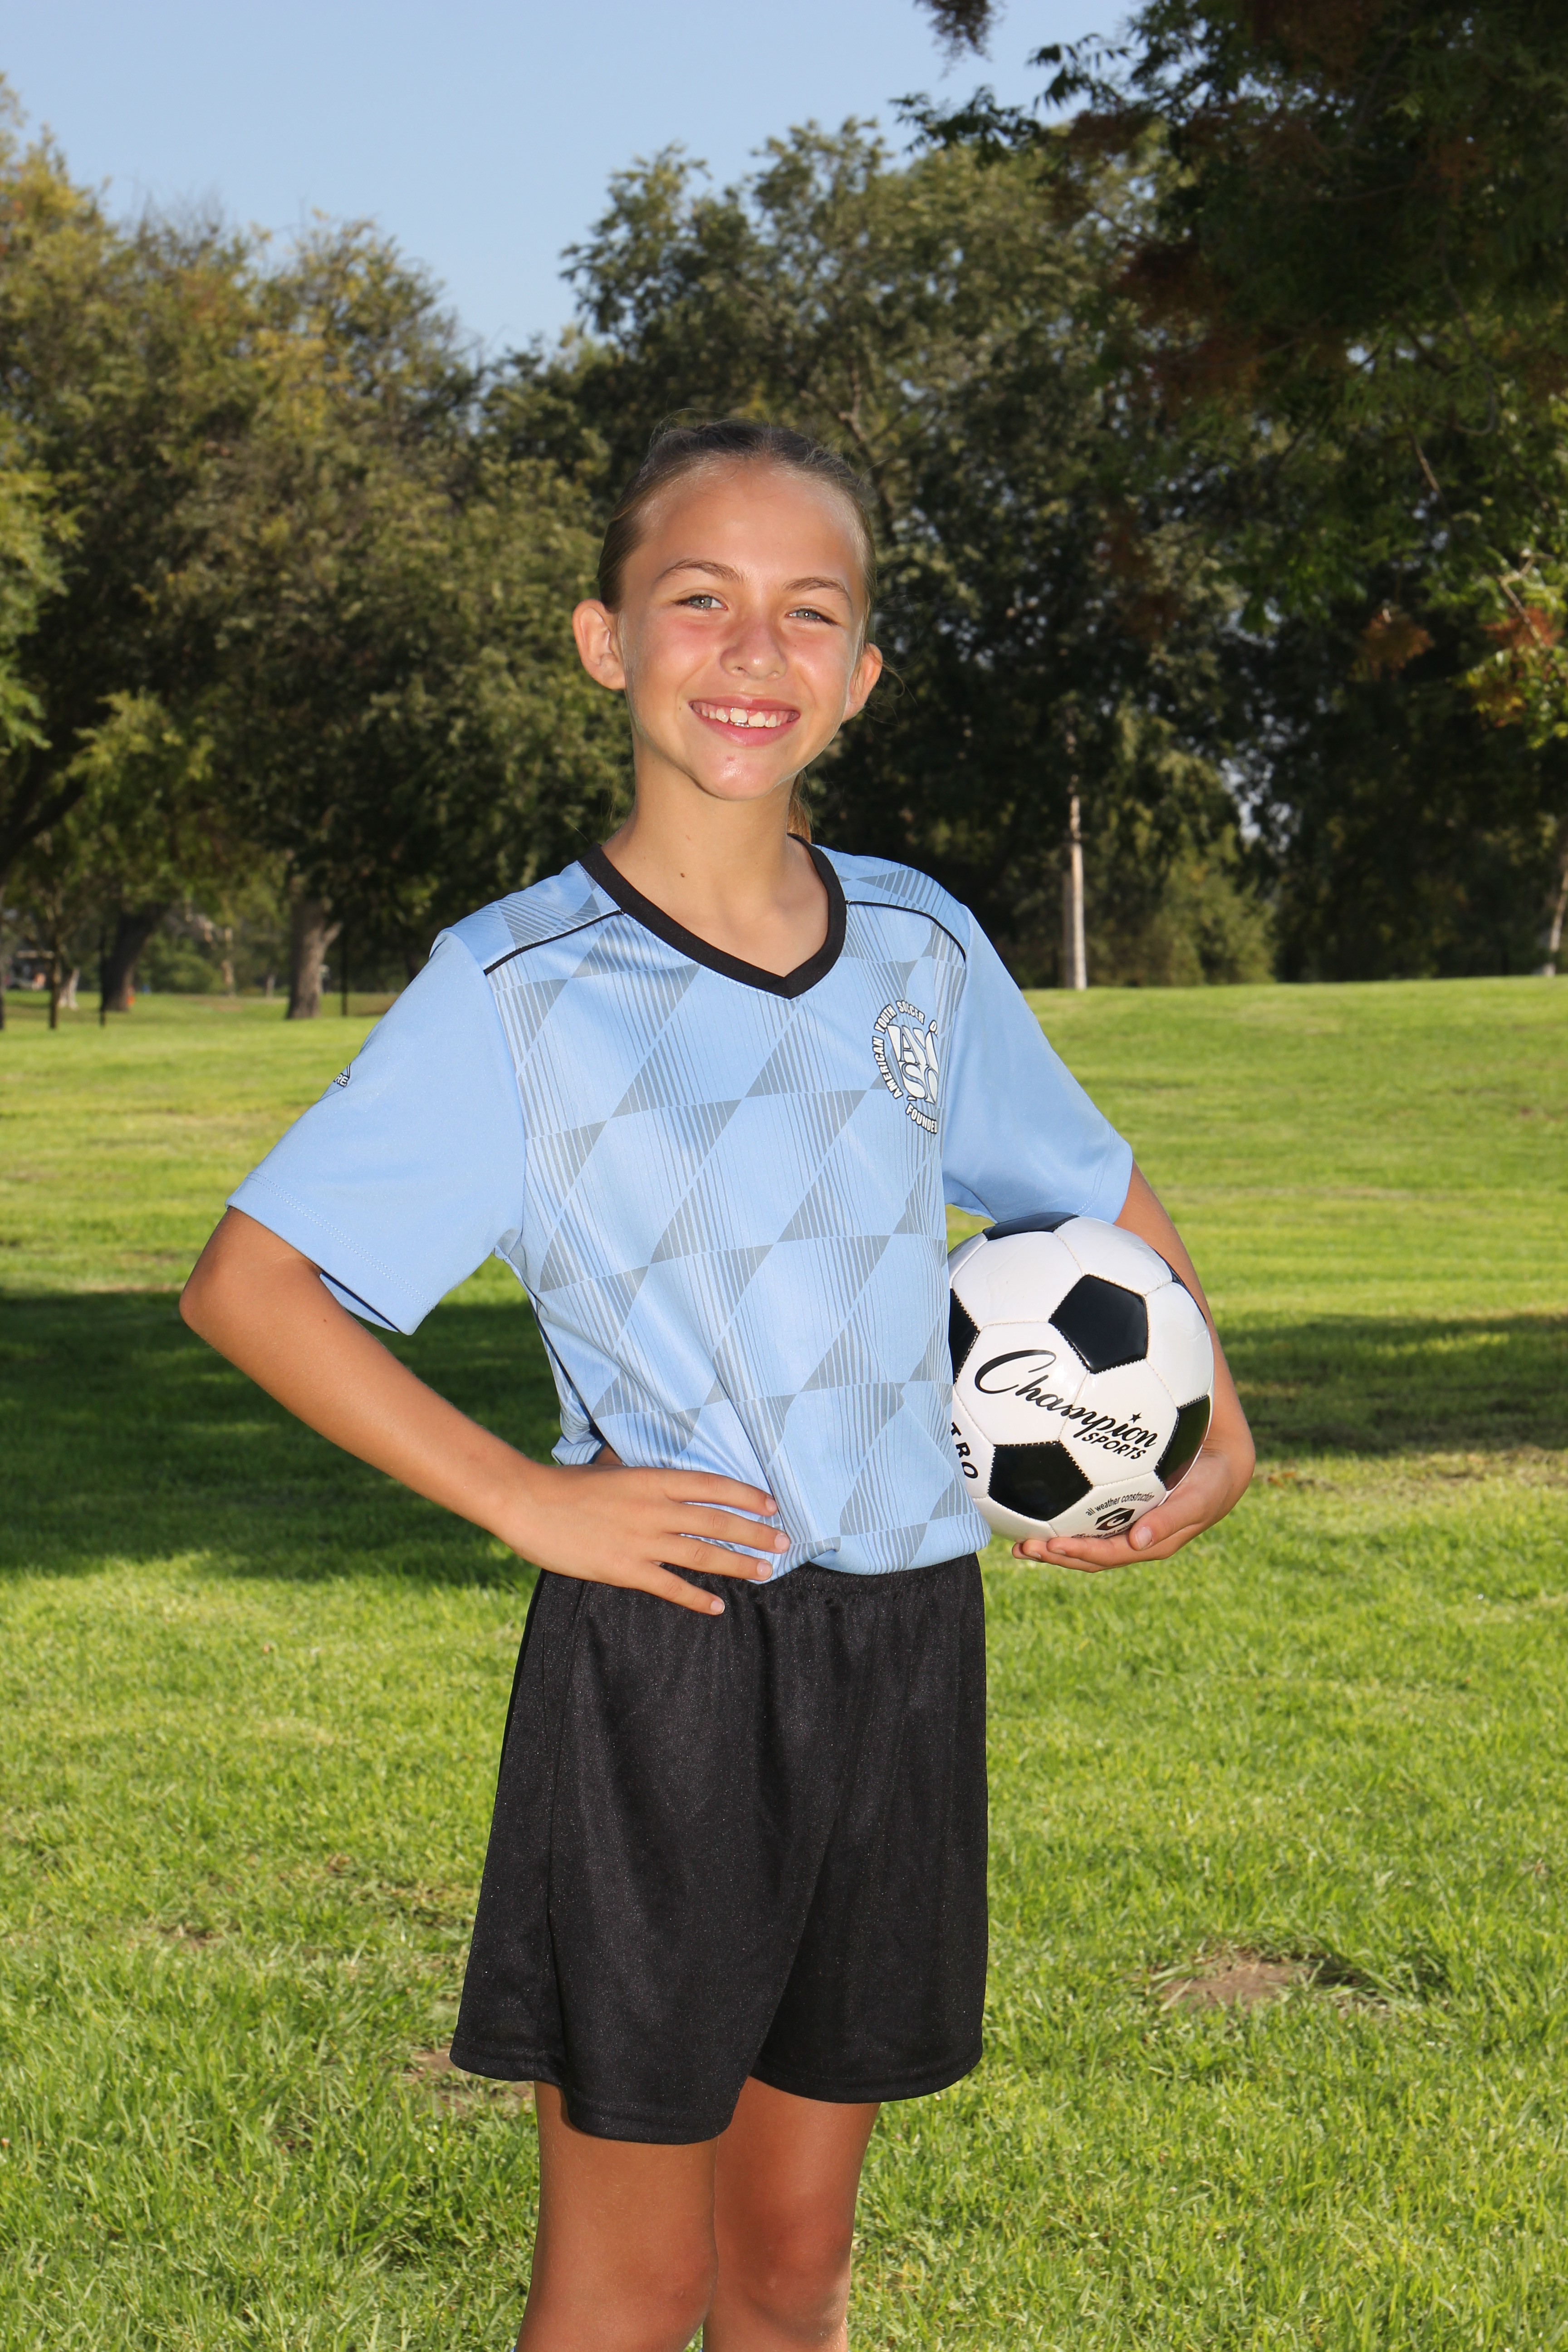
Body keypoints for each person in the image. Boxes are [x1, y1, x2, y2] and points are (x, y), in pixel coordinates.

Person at [181, 421, 1254, 2352]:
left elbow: (1085, 1187)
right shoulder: (519, 988)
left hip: (902, 1646)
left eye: (808, 613)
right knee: (632, 2281)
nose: (755, 651)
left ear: (862, 674)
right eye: (701, 600)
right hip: (670, 1656)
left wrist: (1210, 1414)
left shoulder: (920, 946)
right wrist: (530, 1499)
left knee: (791, 2262)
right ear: (606, 641)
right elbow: (252, 1287)